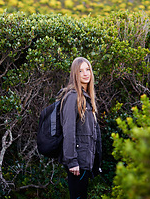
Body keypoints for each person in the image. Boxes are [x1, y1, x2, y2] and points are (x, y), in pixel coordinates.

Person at [58, 57, 102, 199]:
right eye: (81, 70)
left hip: (85, 161)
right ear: (74, 74)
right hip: (77, 163)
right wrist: (72, 161)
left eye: (88, 69)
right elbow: (68, 131)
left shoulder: (87, 97)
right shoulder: (72, 97)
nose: (85, 73)